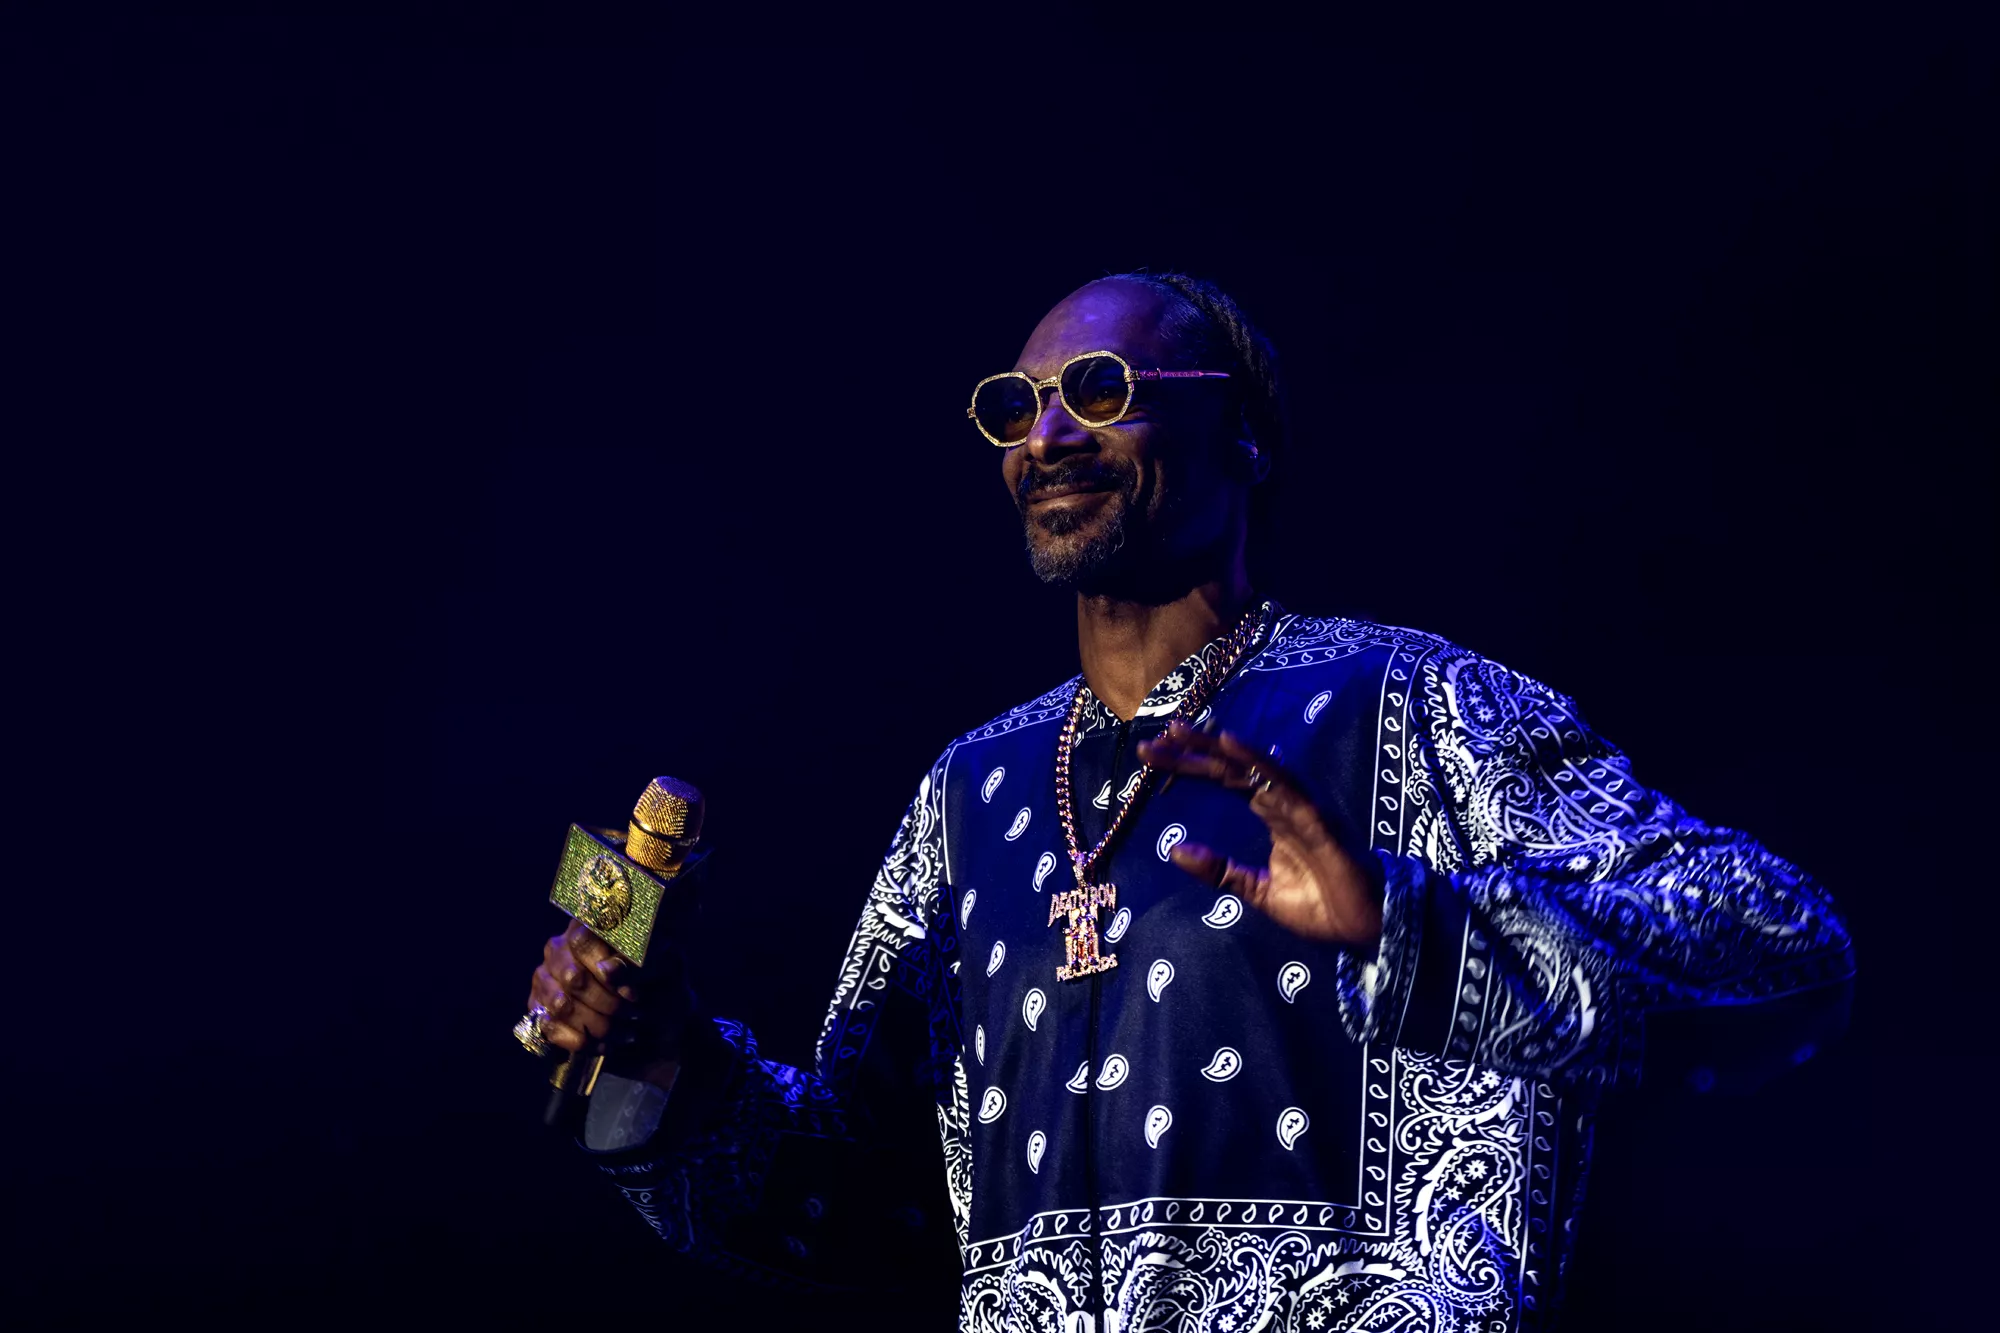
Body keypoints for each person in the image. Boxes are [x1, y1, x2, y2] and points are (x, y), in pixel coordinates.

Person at [517, 272, 1855, 1330]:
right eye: (1015, 408)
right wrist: (660, 1055)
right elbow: (865, 1199)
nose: (1048, 436)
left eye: (1101, 391)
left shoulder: (1415, 705)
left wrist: (1416, 926)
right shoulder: (966, 794)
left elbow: (1781, 945)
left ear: (1245, 435)